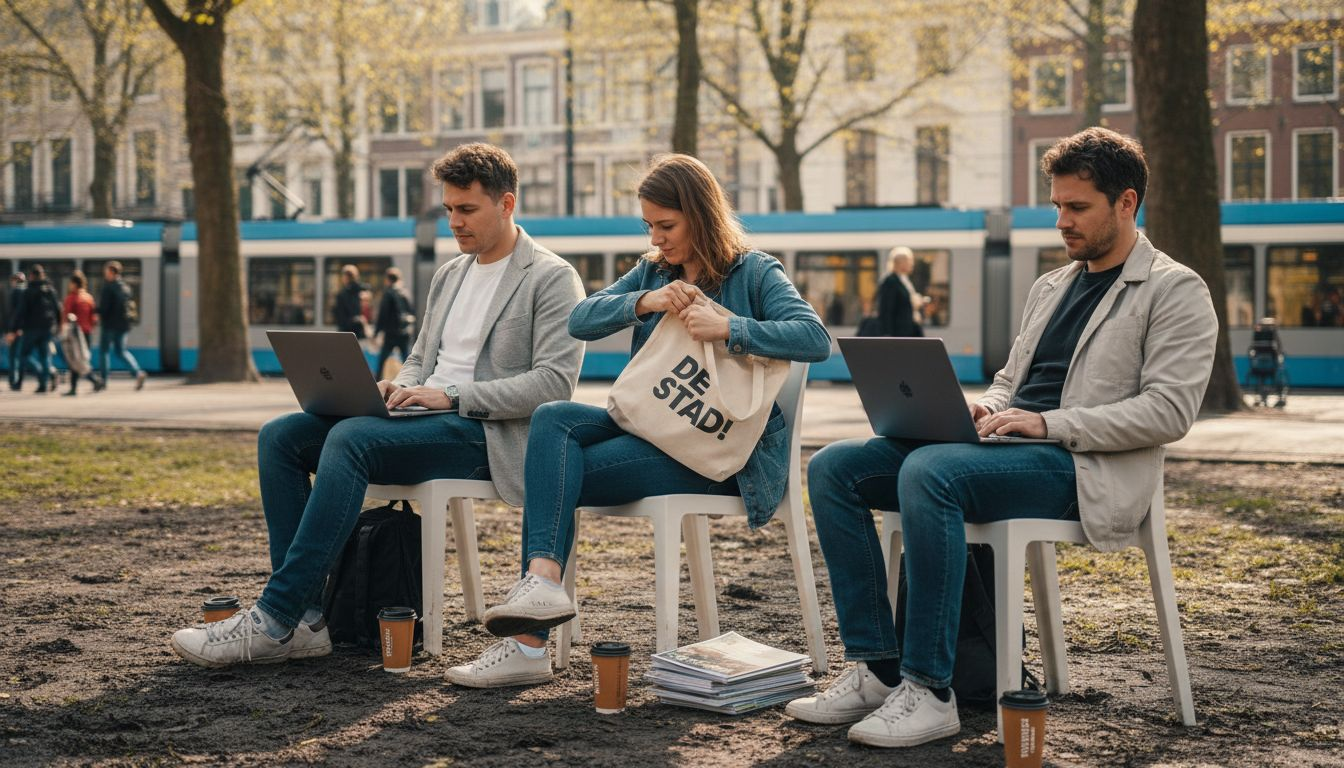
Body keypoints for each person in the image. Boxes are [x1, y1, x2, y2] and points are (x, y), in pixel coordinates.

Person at [788, 127, 1218, 749]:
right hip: (1005, 450)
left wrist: (1049, 424)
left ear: (1127, 203)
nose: (1062, 221)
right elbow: (1012, 379)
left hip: (1082, 470)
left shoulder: (1176, 289)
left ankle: (931, 690)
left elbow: (1169, 412)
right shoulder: (1051, 287)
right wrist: (986, 406)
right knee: (835, 467)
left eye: (1078, 208)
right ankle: (879, 670)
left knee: (929, 472)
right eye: (1057, 206)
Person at [170, 142, 586, 668]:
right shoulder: (451, 274)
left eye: (467, 210)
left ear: (506, 204)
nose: (454, 222)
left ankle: (276, 616)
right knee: (281, 436)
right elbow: (419, 359)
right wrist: (397, 385)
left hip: (484, 433)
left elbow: (552, 384)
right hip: (421, 418)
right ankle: (306, 623)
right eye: (448, 210)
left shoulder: (551, 277)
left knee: (350, 439)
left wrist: (452, 395)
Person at [445, 153, 831, 688]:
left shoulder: (756, 271)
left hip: (714, 451)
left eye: (667, 225)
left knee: (558, 473)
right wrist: (645, 300)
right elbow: (581, 319)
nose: (657, 237)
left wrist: (730, 327)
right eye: (649, 225)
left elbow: (814, 339)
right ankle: (542, 587)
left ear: (701, 214)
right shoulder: (655, 270)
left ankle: (527, 646)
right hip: (647, 425)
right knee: (553, 419)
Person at [10, 264, 61, 394]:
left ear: (32, 276)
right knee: (45, 356)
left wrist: (13, 329)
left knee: (23, 356)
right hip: (47, 328)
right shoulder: (50, 290)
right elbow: (58, 309)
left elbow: (20, 312)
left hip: (31, 328)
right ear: (42, 275)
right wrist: (59, 325)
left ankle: (40, 373)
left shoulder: (28, 291)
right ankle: (44, 383)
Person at [95, 261, 146, 390]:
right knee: (121, 351)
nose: (105, 274)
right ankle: (137, 372)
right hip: (124, 325)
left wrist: (96, 311)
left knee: (104, 352)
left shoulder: (108, 287)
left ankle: (103, 380)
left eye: (106, 272)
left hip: (109, 325)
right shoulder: (125, 287)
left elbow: (104, 308)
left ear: (112, 272)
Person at [60, 270, 99, 396]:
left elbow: (66, 317)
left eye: (70, 283)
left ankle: (88, 382)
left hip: (74, 333)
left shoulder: (71, 298)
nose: (69, 286)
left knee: (74, 360)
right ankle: (92, 381)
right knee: (81, 360)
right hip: (87, 332)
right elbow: (94, 318)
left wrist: (63, 330)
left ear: (74, 284)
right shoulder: (88, 298)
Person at [374, 267, 415, 377]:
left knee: (382, 360)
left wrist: (377, 332)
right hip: (404, 332)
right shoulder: (405, 292)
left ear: (388, 279)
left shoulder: (389, 293)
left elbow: (383, 314)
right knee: (407, 359)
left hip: (391, 333)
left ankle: (377, 381)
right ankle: (411, 380)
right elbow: (411, 311)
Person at [875, 246, 924, 337]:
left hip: (909, 330)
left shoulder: (904, 280)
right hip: (898, 333)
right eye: (909, 260)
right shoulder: (890, 281)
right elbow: (886, 309)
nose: (912, 264)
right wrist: (887, 334)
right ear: (900, 263)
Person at [332, 264, 369, 340]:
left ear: (346, 277)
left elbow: (340, 317)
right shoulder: (364, 291)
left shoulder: (342, 294)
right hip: (359, 332)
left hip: (345, 332)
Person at [5, 272, 26, 391]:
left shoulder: (15, 293)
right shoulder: (26, 292)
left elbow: (14, 314)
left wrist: (12, 331)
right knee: (22, 355)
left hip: (16, 330)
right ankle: (47, 371)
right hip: (24, 329)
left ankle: (13, 381)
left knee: (14, 355)